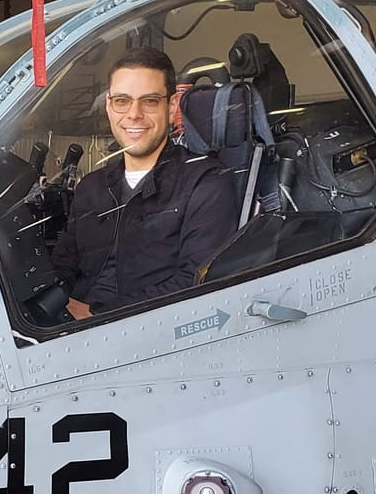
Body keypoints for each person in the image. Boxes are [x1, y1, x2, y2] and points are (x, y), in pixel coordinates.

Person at [51, 46, 238, 319]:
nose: (134, 114)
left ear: (171, 106)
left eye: (149, 101)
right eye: (122, 101)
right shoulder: (91, 188)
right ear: (109, 106)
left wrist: (97, 313)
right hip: (66, 330)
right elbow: (63, 265)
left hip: (146, 334)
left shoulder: (205, 183)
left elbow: (196, 281)